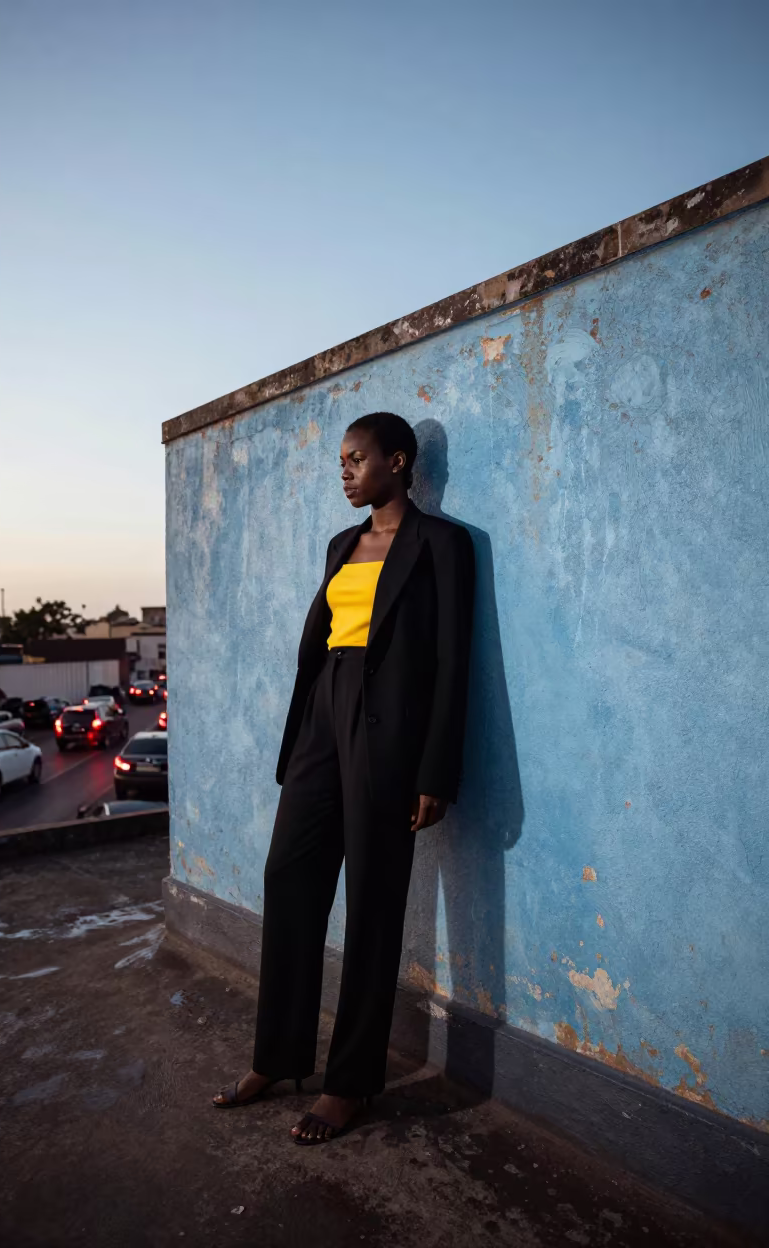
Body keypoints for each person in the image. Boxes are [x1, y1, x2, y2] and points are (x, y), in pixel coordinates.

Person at [213, 410, 475, 1144]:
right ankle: (278, 1056)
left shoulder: (442, 545)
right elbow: (324, 639)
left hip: (390, 730)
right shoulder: (342, 543)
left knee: (373, 899)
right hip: (324, 712)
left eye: (357, 458)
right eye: (341, 461)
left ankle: (351, 1082)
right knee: (288, 876)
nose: (345, 471)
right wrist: (305, 731)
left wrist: (436, 769)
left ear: (398, 462)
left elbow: (455, 661)